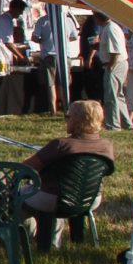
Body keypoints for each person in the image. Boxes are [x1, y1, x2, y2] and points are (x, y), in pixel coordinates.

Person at [20, 100, 113, 247]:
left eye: (68, 116)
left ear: (78, 120)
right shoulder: (106, 146)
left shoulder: (61, 145)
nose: (66, 120)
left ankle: (22, 239)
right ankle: (65, 240)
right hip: (91, 197)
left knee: (18, 196)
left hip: (54, 198)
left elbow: (25, 169)